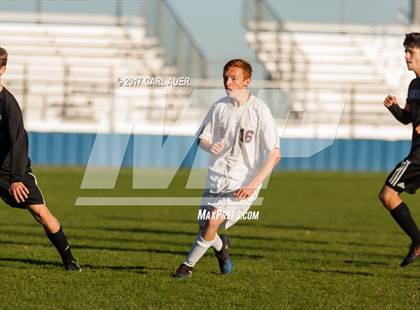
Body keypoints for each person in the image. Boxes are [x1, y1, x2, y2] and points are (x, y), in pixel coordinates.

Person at [174, 59, 281, 278]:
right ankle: (222, 248)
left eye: (234, 78)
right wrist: (209, 144)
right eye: (226, 77)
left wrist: (252, 186)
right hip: (216, 177)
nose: (228, 82)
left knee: (213, 220)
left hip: (242, 181)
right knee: (206, 229)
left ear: (247, 82)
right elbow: (201, 138)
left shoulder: (260, 110)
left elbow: (274, 154)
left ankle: (186, 267)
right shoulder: (220, 106)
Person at [0, 47, 80, 271]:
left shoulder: (9, 105)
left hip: (11, 170)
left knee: (40, 212)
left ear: (3, 70)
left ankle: (69, 259)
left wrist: (16, 178)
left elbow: (18, 143)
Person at [380, 33, 420, 267]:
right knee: (387, 196)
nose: (406, 56)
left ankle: (418, 242)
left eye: (411, 52)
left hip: (418, 157)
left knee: (387, 194)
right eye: (405, 51)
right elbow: (407, 119)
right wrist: (394, 108)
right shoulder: (414, 85)